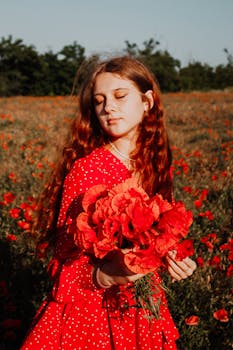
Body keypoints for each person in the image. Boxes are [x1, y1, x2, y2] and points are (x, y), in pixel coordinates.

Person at [21, 55, 196, 350]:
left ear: (147, 101)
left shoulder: (156, 164)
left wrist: (171, 256)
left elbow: (158, 233)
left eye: (119, 96)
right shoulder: (88, 169)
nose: (108, 107)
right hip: (92, 315)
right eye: (99, 100)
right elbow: (61, 260)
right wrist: (104, 275)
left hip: (142, 310)